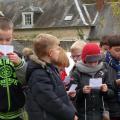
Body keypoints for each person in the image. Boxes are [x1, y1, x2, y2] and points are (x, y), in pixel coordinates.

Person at [25, 33, 78, 120]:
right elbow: (50, 101)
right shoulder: (39, 73)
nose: (60, 51)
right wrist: (70, 115)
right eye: (57, 49)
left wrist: (65, 95)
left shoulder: (49, 69)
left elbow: (52, 93)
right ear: (50, 53)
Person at [71, 43, 114, 120]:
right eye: (90, 62)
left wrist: (106, 91)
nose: (93, 64)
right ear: (84, 59)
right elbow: (71, 94)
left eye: (96, 61)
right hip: (83, 115)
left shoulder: (105, 70)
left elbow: (112, 93)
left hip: (101, 115)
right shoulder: (76, 72)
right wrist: (82, 91)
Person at [0, 17, 26, 119]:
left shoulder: (18, 56)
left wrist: (19, 64)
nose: (4, 43)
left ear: (12, 37)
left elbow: (25, 81)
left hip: (17, 113)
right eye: (0, 39)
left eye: (8, 39)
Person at [105, 35, 120, 120]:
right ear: (109, 49)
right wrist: (116, 83)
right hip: (112, 109)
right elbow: (101, 86)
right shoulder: (102, 64)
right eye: (117, 50)